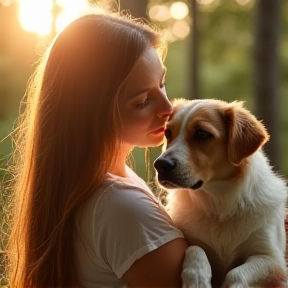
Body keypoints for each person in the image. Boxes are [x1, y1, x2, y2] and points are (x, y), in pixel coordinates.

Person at [7, 12, 188, 288]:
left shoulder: (81, 184)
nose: (168, 108)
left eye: (162, 83)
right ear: (91, 112)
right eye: (142, 101)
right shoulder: (122, 208)